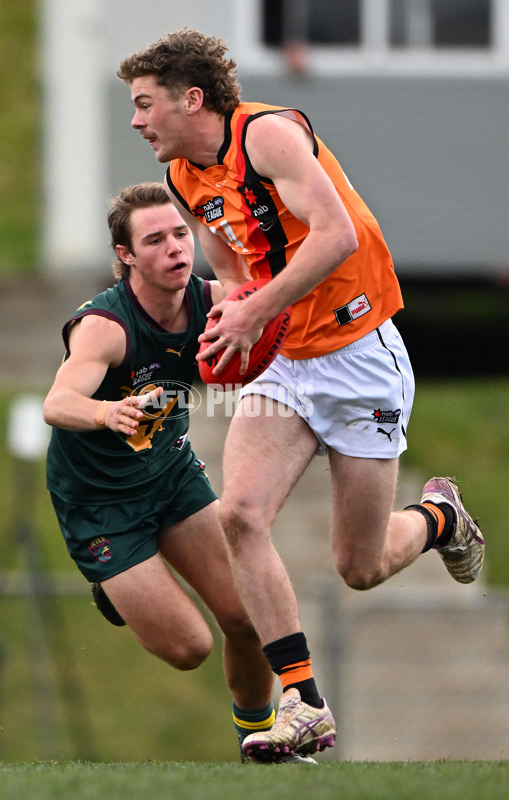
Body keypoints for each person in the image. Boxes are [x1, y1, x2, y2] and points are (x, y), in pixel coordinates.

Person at [117, 30, 486, 763]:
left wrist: (256, 307)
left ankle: (441, 517)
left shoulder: (270, 135)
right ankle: (303, 701)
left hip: (359, 358)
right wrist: (228, 319)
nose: (136, 120)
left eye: (144, 103)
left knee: (360, 565)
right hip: (288, 360)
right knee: (241, 514)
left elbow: (337, 234)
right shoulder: (189, 175)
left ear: (192, 99)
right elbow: (231, 264)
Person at [44, 182, 292, 762]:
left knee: (247, 617)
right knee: (190, 648)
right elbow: (57, 404)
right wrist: (107, 410)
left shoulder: (211, 301)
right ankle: (117, 584)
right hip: (101, 506)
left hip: (173, 478)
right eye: (154, 240)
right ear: (126, 256)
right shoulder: (106, 327)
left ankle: (260, 743)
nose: (176, 249)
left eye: (180, 234)